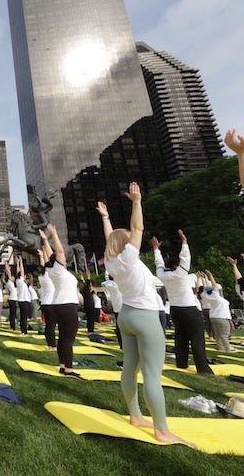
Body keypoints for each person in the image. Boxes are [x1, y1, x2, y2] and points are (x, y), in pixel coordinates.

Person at [99, 184, 195, 447]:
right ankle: (162, 430)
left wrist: (106, 219)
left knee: (130, 368)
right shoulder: (129, 258)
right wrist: (137, 202)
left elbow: (112, 240)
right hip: (144, 317)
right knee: (152, 375)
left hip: (126, 317)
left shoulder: (111, 262)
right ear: (125, 244)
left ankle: (136, 416)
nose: (133, 239)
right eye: (128, 238)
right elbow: (138, 229)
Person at [152, 231, 213, 373]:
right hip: (189, 308)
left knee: (180, 337)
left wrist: (156, 249)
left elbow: (159, 263)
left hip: (175, 309)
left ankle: (181, 363)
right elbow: (185, 258)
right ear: (175, 266)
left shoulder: (162, 275)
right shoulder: (180, 274)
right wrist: (184, 243)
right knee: (197, 338)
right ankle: (203, 368)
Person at [43, 225, 81, 376]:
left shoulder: (53, 270)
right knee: (68, 338)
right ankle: (69, 369)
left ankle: (63, 365)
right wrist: (54, 234)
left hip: (59, 305)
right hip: (67, 306)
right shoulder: (58, 269)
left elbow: (50, 254)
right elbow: (58, 252)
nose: (63, 256)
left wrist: (46, 240)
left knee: (63, 337)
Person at [200, 270, 233, 353]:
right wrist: (211, 276)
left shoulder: (205, 295)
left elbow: (205, 288)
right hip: (222, 317)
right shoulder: (216, 296)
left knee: (218, 334)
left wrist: (204, 279)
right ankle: (227, 349)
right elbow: (214, 286)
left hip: (213, 317)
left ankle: (220, 347)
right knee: (225, 334)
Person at [36, 244, 56, 351]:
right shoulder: (49, 276)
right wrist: (44, 254)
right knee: (51, 326)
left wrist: (41, 255)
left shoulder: (41, 277)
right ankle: (52, 345)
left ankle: (50, 344)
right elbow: (47, 264)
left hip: (44, 304)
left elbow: (43, 265)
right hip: (50, 304)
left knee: (49, 325)